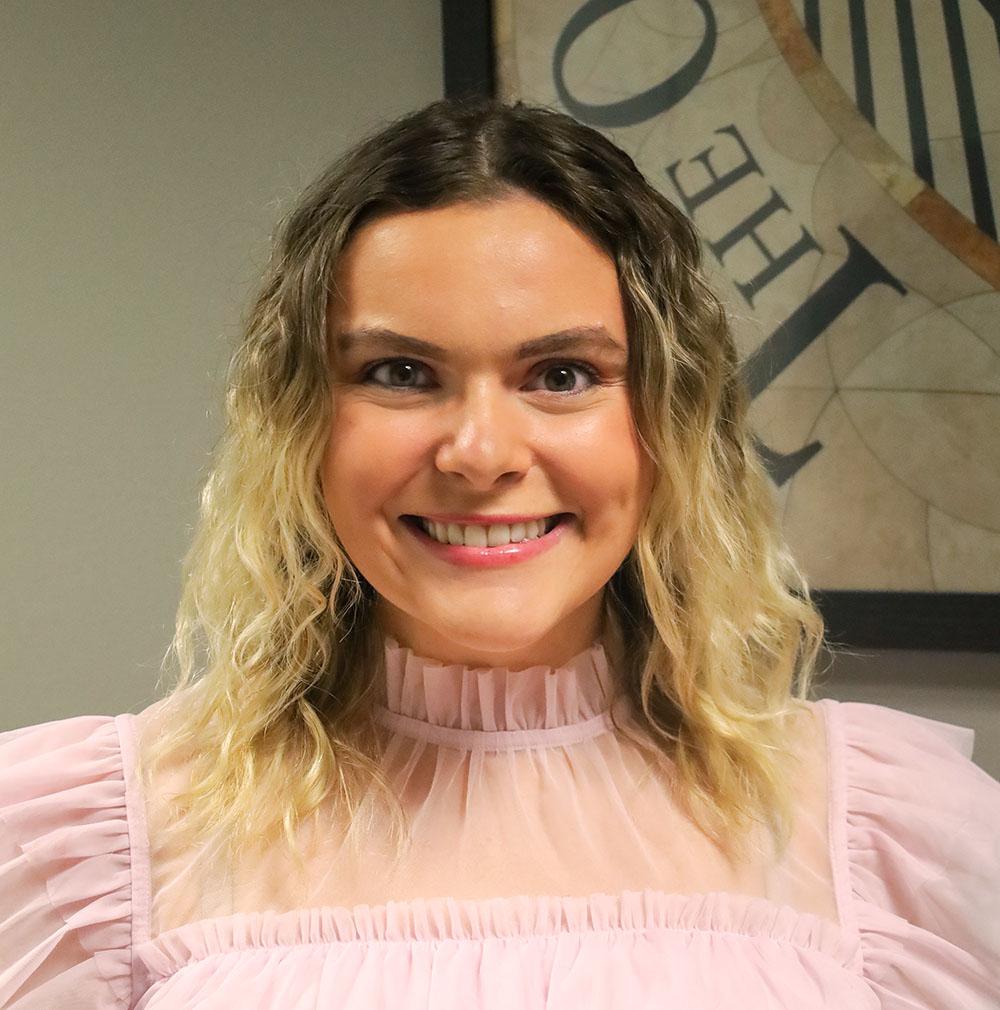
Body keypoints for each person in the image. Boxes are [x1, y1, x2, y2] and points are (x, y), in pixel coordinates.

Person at [1, 95, 997, 1010]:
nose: (479, 452)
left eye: (561, 373)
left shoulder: (883, 840)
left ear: (665, 416)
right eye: (399, 372)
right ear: (301, 418)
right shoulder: (96, 846)